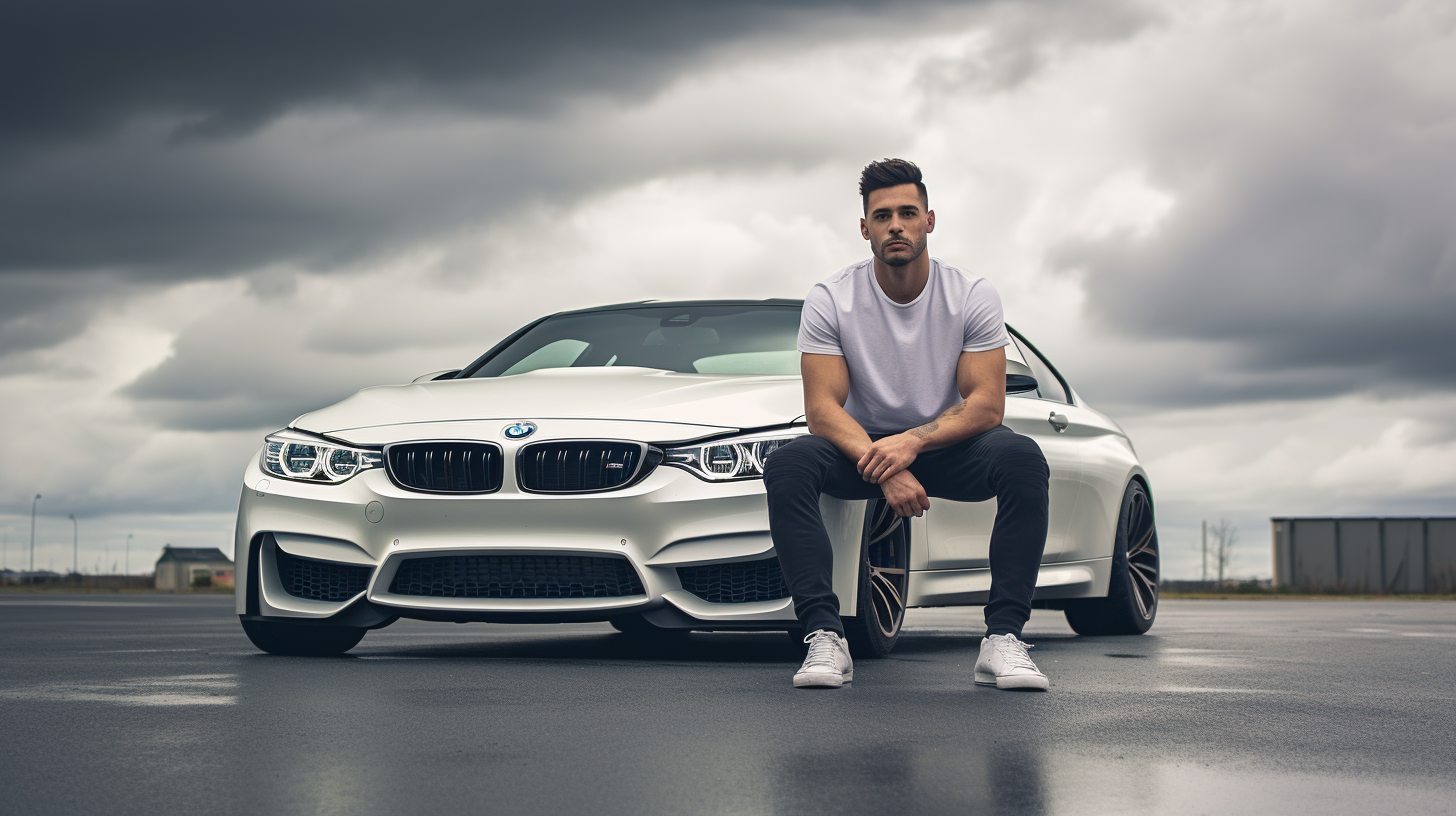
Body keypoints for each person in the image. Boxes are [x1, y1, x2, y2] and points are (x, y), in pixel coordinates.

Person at [763, 158, 1051, 691]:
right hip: (862, 450)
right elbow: (823, 410)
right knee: (788, 465)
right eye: (882, 215)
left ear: (929, 221)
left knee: (1022, 459)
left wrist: (909, 445)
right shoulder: (831, 298)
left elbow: (986, 405)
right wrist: (884, 466)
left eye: (907, 212)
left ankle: (1003, 639)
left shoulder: (971, 293)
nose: (895, 224)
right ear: (865, 227)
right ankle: (825, 637)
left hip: (948, 443)